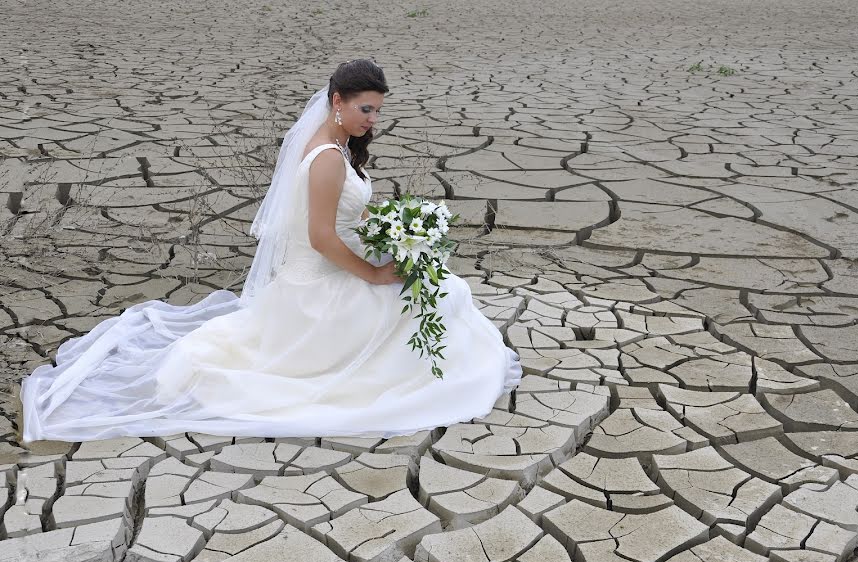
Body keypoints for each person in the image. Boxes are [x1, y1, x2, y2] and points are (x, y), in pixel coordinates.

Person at [18, 59, 522, 443]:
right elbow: (323, 238)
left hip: (324, 270)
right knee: (430, 300)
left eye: (378, 110)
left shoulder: (336, 146)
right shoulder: (326, 158)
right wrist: (372, 275)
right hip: (318, 284)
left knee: (436, 291)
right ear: (337, 101)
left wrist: (395, 233)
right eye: (365, 108)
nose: (372, 118)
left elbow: (345, 220)